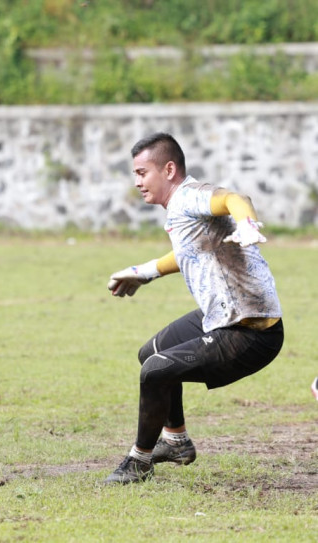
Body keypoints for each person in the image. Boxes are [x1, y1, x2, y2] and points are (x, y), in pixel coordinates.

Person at [103, 132, 284, 484]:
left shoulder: (189, 197)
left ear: (168, 169)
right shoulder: (178, 209)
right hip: (223, 316)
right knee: (151, 353)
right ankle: (176, 441)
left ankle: (139, 461)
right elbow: (191, 251)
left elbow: (234, 198)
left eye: (142, 172)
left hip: (250, 331)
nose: (137, 181)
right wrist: (145, 272)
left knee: (156, 370)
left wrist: (247, 224)